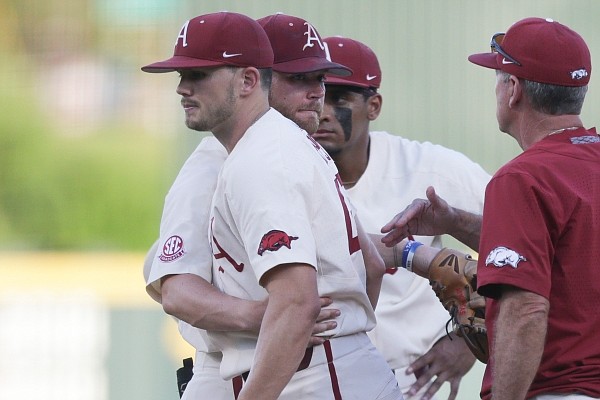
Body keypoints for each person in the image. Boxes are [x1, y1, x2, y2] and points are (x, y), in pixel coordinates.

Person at [142, 11, 401, 400]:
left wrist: (293, 324)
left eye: (199, 75)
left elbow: (298, 303)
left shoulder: (263, 156)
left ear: (250, 79)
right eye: (299, 78)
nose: (183, 88)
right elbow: (372, 265)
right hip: (314, 366)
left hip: (309, 373)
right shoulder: (284, 147)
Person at [383, 17, 600, 400]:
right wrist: (453, 221)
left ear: (513, 89)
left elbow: (527, 310)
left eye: (498, 77)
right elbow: (563, 246)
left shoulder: (523, 177)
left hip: (561, 390)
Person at [315, 35, 490, 399]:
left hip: (412, 379)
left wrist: (464, 341)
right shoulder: (280, 173)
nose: (323, 110)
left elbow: (519, 244)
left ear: (373, 105)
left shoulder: (428, 169)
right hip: (311, 379)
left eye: (339, 98)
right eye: (316, 94)